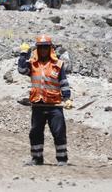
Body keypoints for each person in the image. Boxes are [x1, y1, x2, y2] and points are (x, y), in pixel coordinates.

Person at [18, 34, 72, 166]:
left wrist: (67, 98)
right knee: (35, 132)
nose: (43, 50)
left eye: (45, 48)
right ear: (37, 49)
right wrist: (23, 54)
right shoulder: (32, 64)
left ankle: (62, 159)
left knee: (59, 132)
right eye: (41, 48)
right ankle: (36, 158)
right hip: (38, 105)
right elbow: (21, 69)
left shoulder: (58, 65)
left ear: (50, 49)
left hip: (54, 105)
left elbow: (63, 82)